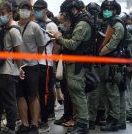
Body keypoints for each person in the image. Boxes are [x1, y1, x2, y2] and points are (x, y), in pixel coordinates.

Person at [54, 0, 93, 133]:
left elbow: (72, 45)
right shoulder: (80, 21)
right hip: (76, 64)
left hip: (78, 65)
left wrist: (59, 38)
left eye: (67, 12)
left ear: (72, 10)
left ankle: (83, 124)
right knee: (75, 94)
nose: (66, 15)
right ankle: (80, 122)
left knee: (77, 93)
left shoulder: (82, 24)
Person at [0, 2, 23, 134]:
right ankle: (9, 125)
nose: (0, 17)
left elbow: (18, 53)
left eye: (2, 14)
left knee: (10, 100)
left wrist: (20, 68)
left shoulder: (14, 31)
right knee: (3, 99)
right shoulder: (2, 29)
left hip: (10, 71)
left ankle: (12, 126)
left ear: (10, 14)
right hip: (0, 70)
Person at [16, 1, 45, 134]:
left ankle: (34, 124)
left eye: (27, 9)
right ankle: (24, 124)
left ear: (31, 11)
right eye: (23, 8)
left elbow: (41, 45)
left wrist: (35, 58)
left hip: (32, 66)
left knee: (33, 96)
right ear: (18, 10)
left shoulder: (35, 27)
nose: (24, 11)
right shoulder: (14, 26)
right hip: (17, 66)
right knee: (20, 96)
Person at [98, 0, 126, 131]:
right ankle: (114, 119)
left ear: (115, 10)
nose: (106, 11)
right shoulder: (109, 23)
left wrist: (99, 53)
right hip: (109, 62)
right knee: (109, 92)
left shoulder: (118, 25)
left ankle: (114, 121)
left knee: (112, 92)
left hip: (114, 63)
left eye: (109, 9)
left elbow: (112, 45)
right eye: (104, 9)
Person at [33, 0, 58, 133]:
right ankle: (36, 119)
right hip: (34, 63)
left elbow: (57, 45)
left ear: (45, 10)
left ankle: (45, 120)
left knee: (45, 93)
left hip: (46, 64)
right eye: (35, 9)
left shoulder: (51, 25)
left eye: (39, 9)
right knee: (36, 93)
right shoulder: (34, 24)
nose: (37, 11)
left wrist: (53, 61)